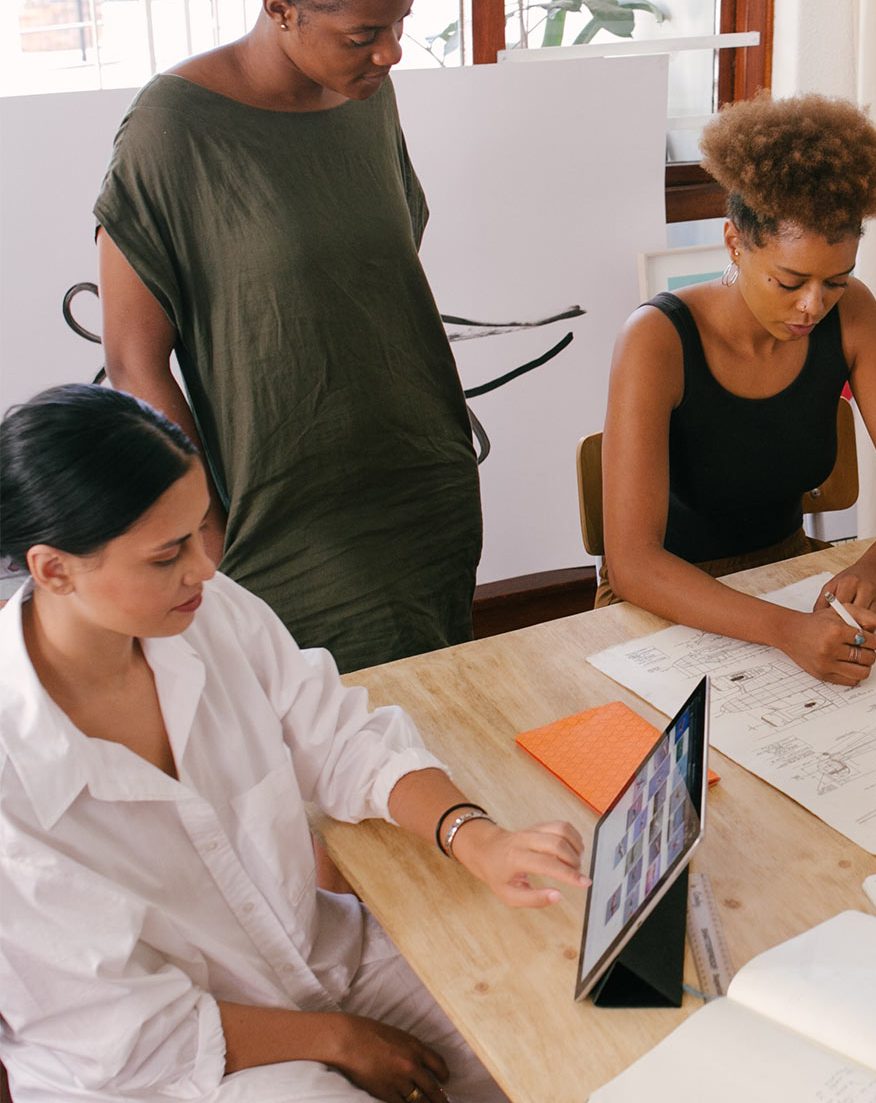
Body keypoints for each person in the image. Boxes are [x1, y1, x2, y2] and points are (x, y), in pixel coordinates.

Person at [0, 384, 587, 1103]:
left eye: (201, 529)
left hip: (319, 959)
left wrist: (477, 838)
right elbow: (123, 1034)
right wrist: (340, 1039)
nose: (205, 569)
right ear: (53, 569)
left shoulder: (204, 612)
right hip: (161, 1068)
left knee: (557, 1031)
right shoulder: (11, 777)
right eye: (167, 554)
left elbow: (340, 738)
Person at [95, 0, 481, 674]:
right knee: (320, 749)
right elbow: (134, 361)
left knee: (436, 721)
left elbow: (376, 272)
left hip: (421, 481)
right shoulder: (173, 130)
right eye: (362, 33)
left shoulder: (367, 91)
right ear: (280, 8)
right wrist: (202, 527)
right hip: (284, 514)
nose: (390, 51)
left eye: (401, 22)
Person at [600, 94, 876, 687]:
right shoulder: (656, 339)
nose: (813, 306)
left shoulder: (852, 316)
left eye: (835, 282)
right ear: (735, 243)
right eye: (790, 282)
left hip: (788, 579)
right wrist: (786, 630)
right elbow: (634, 564)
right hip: (666, 605)